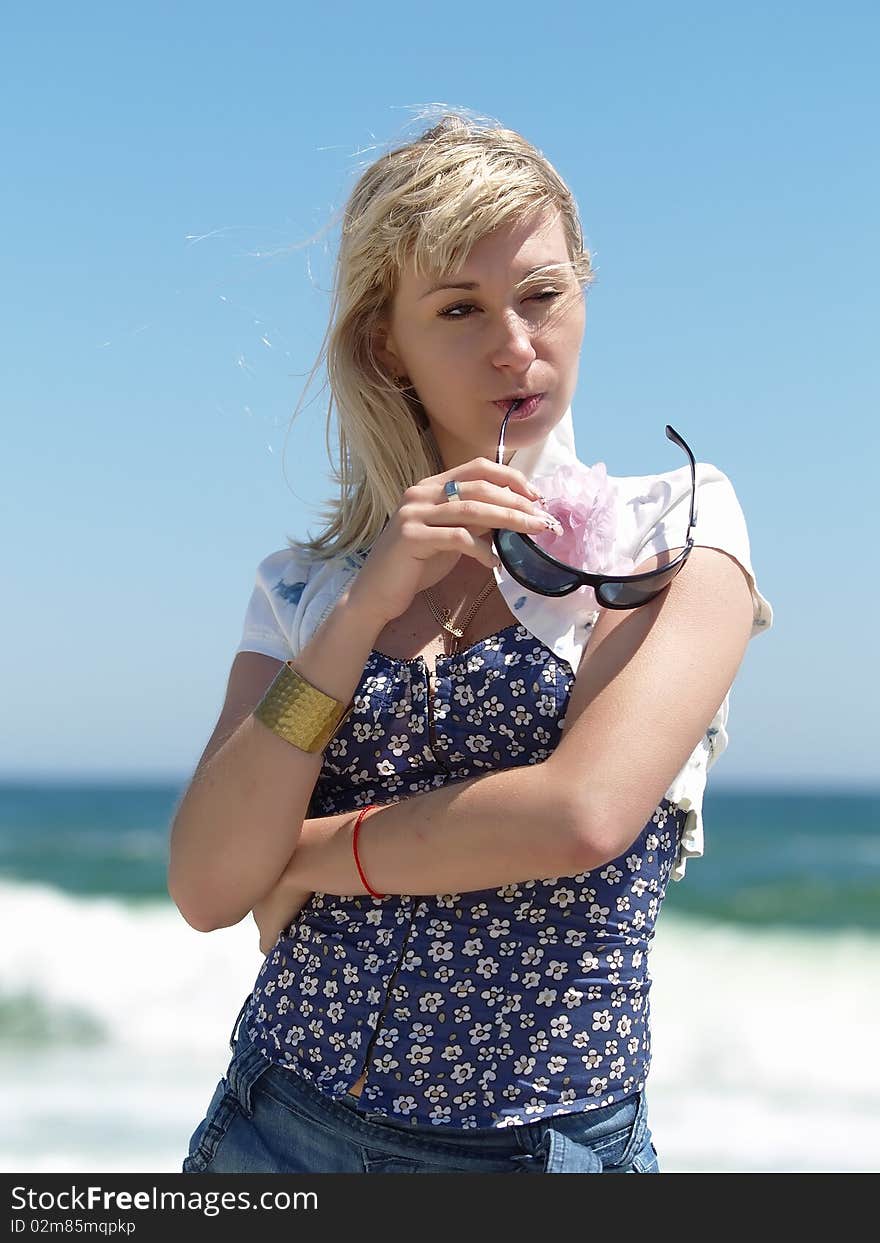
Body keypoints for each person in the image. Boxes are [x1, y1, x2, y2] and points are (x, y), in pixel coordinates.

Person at [168, 112, 773, 1175]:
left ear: (583, 290)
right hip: (273, 1125)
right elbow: (211, 883)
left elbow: (580, 815)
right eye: (459, 308)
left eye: (541, 294)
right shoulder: (309, 589)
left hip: (542, 1148)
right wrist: (359, 616)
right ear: (383, 341)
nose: (515, 344)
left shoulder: (673, 529)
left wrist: (304, 857)